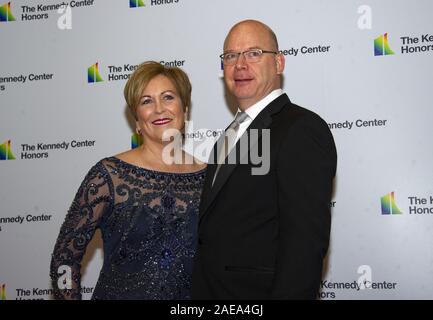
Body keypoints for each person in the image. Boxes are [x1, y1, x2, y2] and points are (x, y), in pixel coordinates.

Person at [191, 20, 337, 299]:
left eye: (254, 53)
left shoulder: (301, 129)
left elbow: (304, 247)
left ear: (279, 63)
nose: (240, 64)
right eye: (231, 56)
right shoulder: (226, 137)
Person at [50, 61, 206, 300]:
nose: (158, 109)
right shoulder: (109, 175)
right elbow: (64, 259)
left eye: (168, 97)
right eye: (146, 101)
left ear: (185, 110)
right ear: (137, 120)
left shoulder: (210, 178)